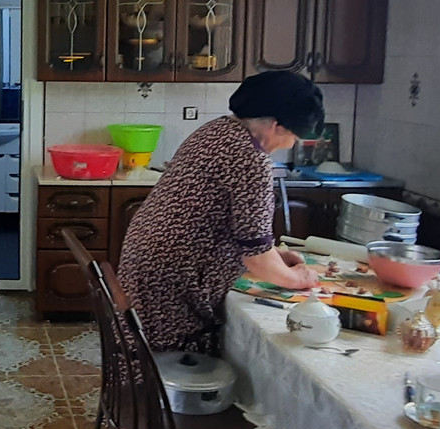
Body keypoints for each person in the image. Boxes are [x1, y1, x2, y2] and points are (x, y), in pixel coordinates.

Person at [118, 70, 325, 355]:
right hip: (173, 285)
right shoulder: (250, 160)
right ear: (276, 126)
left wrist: (275, 257)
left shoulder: (216, 130)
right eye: (294, 136)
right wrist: (299, 279)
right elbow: (255, 259)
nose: (291, 144)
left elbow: (245, 237)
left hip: (148, 265)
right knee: (185, 361)